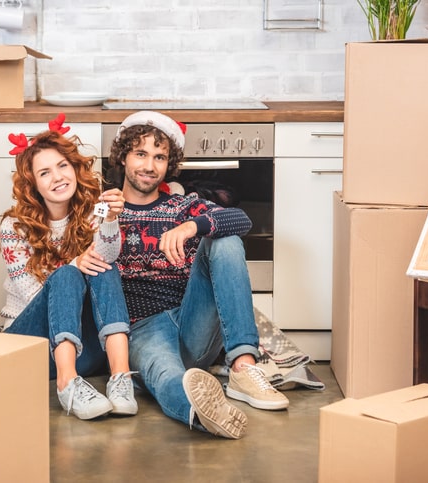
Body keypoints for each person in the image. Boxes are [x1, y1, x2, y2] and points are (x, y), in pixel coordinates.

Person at [103, 111, 289, 439]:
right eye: (140, 154)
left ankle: (244, 366)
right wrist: (103, 220)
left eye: (159, 157)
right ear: (123, 157)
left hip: (194, 319)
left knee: (225, 238)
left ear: (169, 164)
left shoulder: (183, 205)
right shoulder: (106, 208)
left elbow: (240, 220)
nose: (149, 165)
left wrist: (192, 226)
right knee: (166, 379)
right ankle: (206, 414)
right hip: (143, 328)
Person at [0, 113, 137, 420]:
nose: (58, 177)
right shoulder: (15, 227)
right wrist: (72, 265)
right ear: (32, 183)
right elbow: (35, 296)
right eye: (44, 172)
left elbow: (108, 255)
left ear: (75, 169)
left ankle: (121, 378)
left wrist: (111, 220)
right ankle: (67, 383)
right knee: (68, 274)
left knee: (105, 267)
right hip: (29, 347)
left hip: (81, 348)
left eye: (62, 166)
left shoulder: (93, 211)